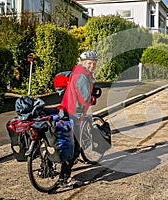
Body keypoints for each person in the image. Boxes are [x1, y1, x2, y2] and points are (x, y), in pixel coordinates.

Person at [59, 50, 98, 185]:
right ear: (83, 63)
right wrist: (92, 98)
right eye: (89, 63)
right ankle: (64, 178)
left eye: (94, 64)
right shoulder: (82, 76)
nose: (92, 66)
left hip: (66, 110)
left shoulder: (77, 72)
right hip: (74, 113)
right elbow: (84, 97)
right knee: (74, 147)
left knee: (66, 141)